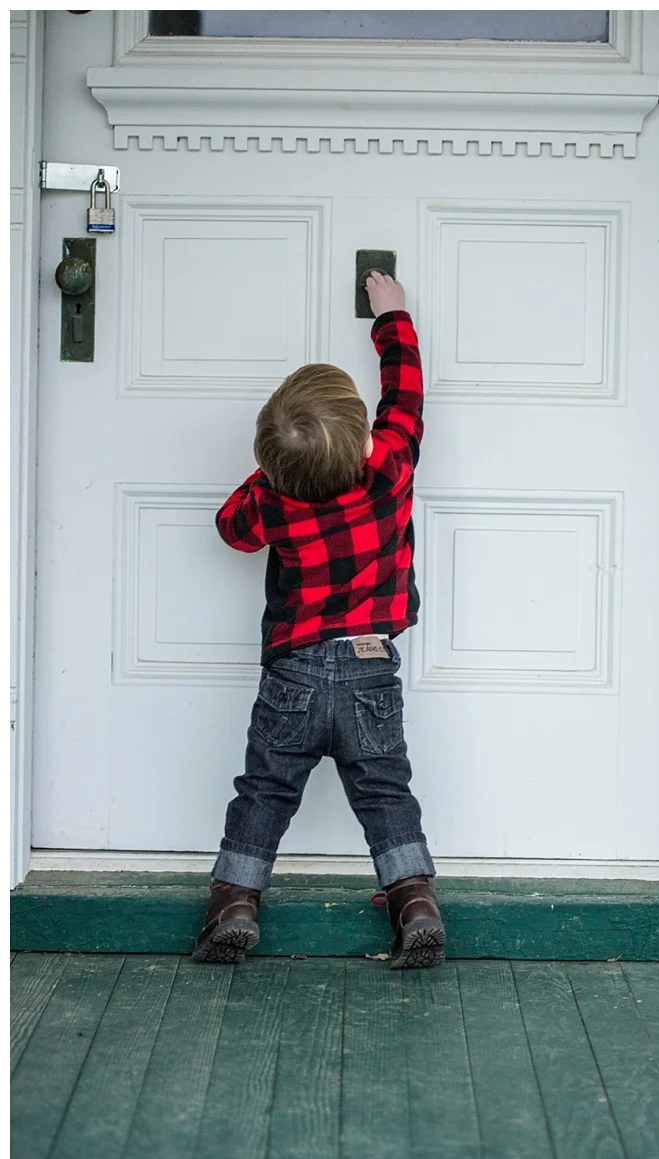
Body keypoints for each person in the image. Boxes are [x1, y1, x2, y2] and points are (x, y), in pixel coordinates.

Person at [192, 271, 445, 970]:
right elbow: (408, 397)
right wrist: (392, 318)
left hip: (294, 673)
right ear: (363, 434)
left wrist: (273, 475)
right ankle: (413, 900)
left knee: (266, 788)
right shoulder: (390, 468)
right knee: (384, 788)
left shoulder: (273, 504)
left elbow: (228, 528)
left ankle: (235, 904)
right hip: (370, 664)